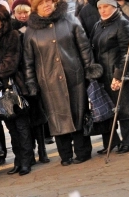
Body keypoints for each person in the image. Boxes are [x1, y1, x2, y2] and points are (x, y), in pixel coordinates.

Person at [24, 0, 103, 166]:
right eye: (42, 2)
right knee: (56, 119)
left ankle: (83, 152)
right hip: (49, 83)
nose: (46, 5)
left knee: (79, 113)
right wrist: (31, 83)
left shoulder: (70, 20)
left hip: (74, 76)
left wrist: (90, 69)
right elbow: (28, 61)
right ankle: (65, 155)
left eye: (49, 1)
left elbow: (84, 47)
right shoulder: (31, 31)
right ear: (35, 7)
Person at [0, 4, 34, 176]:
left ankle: (26, 160)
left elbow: (11, 62)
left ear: (2, 21)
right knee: (10, 126)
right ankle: (19, 160)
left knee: (21, 125)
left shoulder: (12, 35)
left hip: (14, 86)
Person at [91, 0, 129, 153]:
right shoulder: (97, 25)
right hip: (103, 74)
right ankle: (113, 141)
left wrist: (119, 75)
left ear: (114, 7)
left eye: (106, 6)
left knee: (126, 106)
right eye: (99, 7)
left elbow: (127, 53)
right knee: (110, 109)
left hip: (118, 71)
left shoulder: (122, 23)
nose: (102, 10)